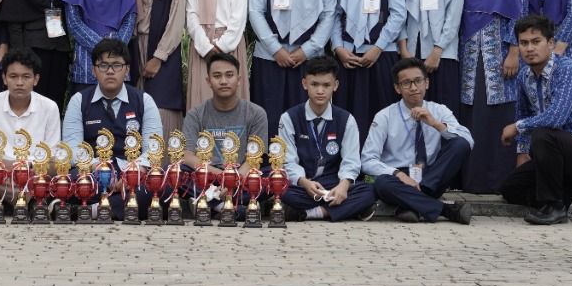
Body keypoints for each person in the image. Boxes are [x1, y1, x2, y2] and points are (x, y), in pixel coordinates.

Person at [498, 16, 572, 225]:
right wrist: (522, 152)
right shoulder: (524, 76)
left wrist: (516, 128)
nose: (529, 48)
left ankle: (555, 207)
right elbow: (523, 114)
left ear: (551, 43)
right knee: (511, 188)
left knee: (543, 135)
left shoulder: (568, 70)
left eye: (536, 41)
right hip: (554, 153)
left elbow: (555, 118)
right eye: (524, 43)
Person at [457, 0, 530, 193]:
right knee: (472, 115)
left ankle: (501, 181)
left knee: (500, 114)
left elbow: (521, 11)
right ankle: (472, 181)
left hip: (500, 55)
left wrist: (514, 51)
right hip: (469, 56)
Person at [249, 0, 336, 133]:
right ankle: (268, 155)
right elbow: (255, 12)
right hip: (270, 58)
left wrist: (307, 50)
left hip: (307, 60)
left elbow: (329, 15)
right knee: (268, 117)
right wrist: (275, 49)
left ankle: (305, 154)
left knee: (304, 120)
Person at [363, 57, 474, 224]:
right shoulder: (385, 116)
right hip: (398, 178)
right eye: (406, 83)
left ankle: (413, 202)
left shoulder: (439, 110)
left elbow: (468, 142)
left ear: (426, 83)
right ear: (397, 88)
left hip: (431, 177)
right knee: (379, 182)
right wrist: (398, 174)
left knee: (460, 143)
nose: (414, 87)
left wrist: (435, 123)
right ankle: (446, 210)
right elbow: (367, 160)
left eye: (418, 81)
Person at [62, 39, 162, 220]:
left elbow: (153, 150)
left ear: (127, 69)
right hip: (91, 171)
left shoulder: (144, 100)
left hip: (132, 171)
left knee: (156, 185)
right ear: (94, 70)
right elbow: (72, 149)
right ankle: (118, 207)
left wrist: (133, 173)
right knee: (72, 181)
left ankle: (90, 210)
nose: (110, 71)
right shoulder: (79, 100)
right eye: (103, 65)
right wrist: (100, 170)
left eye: (116, 65)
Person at [274, 55, 376, 222]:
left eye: (326, 85)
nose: (320, 91)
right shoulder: (289, 118)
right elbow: (288, 161)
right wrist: (303, 182)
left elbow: (351, 161)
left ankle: (311, 213)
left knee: (369, 191)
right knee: (279, 188)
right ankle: (350, 209)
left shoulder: (346, 119)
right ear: (305, 84)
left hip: (333, 183)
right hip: (303, 185)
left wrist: (343, 186)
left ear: (335, 86)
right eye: (314, 84)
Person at [332, 0, 406, 139]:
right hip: (349, 57)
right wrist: (338, 48)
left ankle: (380, 160)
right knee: (349, 117)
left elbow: (398, 15)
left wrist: (377, 47)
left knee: (381, 116)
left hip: (381, 56)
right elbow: (335, 15)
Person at [180, 51, 269, 217]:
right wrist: (223, 176)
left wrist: (234, 179)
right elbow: (187, 156)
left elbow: (255, 157)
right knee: (176, 172)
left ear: (239, 79)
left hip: (243, 175)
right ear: (208, 81)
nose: (223, 81)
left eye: (229, 75)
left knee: (274, 174)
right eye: (217, 76)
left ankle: (209, 203)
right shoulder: (196, 114)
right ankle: (230, 207)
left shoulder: (256, 113)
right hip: (209, 175)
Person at [128, 0, 186, 133]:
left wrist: (158, 57)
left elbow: (176, 22)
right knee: (135, 109)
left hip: (164, 49)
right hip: (136, 47)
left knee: (162, 109)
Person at [0, 48, 61, 165]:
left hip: (35, 172)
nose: (19, 83)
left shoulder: (50, 108)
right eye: (13, 76)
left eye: (26, 76)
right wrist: (5, 166)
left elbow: (52, 155)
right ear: (4, 79)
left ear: (36, 79)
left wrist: (24, 167)